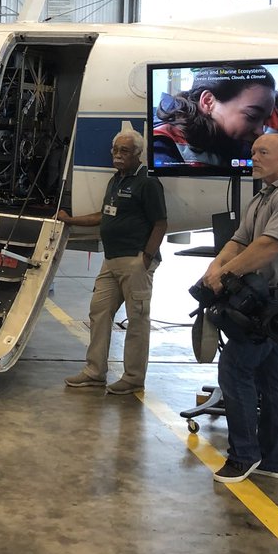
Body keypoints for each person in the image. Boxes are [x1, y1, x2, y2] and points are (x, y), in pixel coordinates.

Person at [200, 132, 278, 484]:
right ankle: (275, 460)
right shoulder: (264, 196)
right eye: (253, 152)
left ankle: (244, 455)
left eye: (263, 152)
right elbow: (239, 240)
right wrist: (213, 269)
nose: (255, 157)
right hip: (265, 298)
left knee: (235, 370)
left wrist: (224, 276)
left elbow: (267, 247)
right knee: (272, 376)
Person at [59, 129, 167, 394]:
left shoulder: (148, 182)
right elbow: (103, 215)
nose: (118, 156)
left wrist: (146, 258)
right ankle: (94, 372)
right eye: (115, 150)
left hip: (135, 262)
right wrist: (71, 220)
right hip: (110, 261)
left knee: (137, 320)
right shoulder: (115, 181)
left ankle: (133, 377)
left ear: (138, 154)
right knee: (98, 312)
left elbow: (161, 223)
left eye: (124, 151)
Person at [152, 65, 276, 167]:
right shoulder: (162, 142)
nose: (260, 132)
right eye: (252, 116)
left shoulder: (236, 143)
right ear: (208, 101)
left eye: (265, 120)